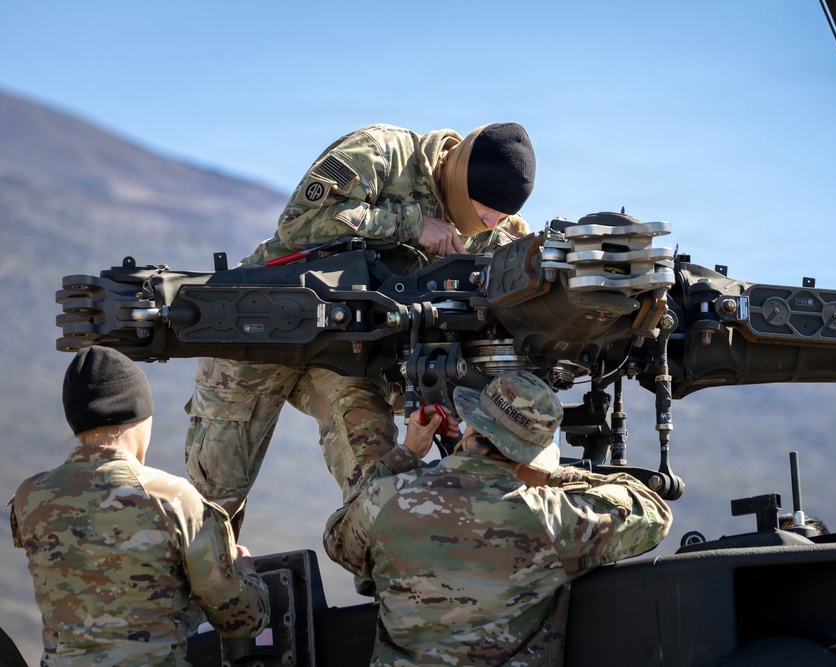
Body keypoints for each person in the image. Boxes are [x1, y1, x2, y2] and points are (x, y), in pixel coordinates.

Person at [184, 122, 536, 533]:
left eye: (502, 217)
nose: (491, 225)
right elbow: (298, 224)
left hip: (346, 357)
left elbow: (515, 277)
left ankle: (389, 583)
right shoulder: (382, 154)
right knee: (215, 502)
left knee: (379, 487)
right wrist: (412, 225)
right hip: (265, 328)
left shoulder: (496, 232)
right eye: (485, 212)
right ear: (460, 181)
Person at [324, 370, 672, 666]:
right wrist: (553, 477)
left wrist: (405, 455)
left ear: (471, 424)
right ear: (531, 455)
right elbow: (652, 512)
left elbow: (339, 540)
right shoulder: (547, 517)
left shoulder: (388, 497)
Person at [9, 347, 270, 666]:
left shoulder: (29, 497)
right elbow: (240, 621)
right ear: (141, 415)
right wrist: (247, 573)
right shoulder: (175, 498)